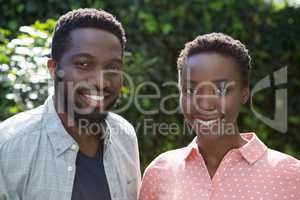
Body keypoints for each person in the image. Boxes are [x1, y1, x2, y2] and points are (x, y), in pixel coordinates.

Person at [139, 33, 300, 200]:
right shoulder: (160, 172)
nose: (204, 104)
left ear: (244, 93)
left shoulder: (291, 175)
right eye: (190, 90)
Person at [0, 8, 140, 200]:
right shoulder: (8, 147)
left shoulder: (125, 136)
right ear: (54, 69)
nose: (101, 81)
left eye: (112, 67)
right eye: (83, 64)